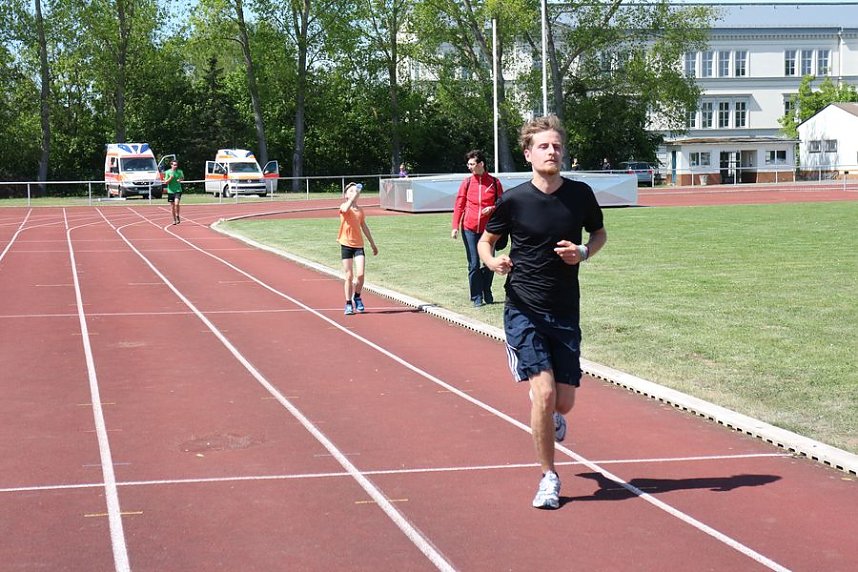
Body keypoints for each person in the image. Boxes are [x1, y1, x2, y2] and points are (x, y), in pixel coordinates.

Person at [478, 115, 607, 510]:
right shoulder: (514, 199)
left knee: (562, 403)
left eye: (556, 146)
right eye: (544, 146)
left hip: (565, 310)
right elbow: (487, 241)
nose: (552, 151)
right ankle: (549, 476)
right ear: (528, 153)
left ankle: (551, 417)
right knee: (544, 393)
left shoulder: (581, 195)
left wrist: (582, 252)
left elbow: (599, 233)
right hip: (523, 308)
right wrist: (492, 262)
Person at [451, 149, 504, 307]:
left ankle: (486, 290)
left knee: (489, 263)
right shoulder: (467, 183)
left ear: (481, 164)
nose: (469, 167)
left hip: (489, 231)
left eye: (472, 164)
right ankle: (476, 296)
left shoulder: (494, 182)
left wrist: (492, 208)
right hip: (469, 229)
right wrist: (455, 227)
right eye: (468, 164)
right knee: (474, 263)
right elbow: (459, 205)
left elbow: (502, 204)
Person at [337, 182, 378, 315]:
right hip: (346, 244)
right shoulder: (344, 206)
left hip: (359, 245)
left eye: (356, 191)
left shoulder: (360, 211)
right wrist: (352, 197)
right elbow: (344, 209)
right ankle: (348, 303)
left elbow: (364, 227)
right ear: (346, 195)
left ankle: (357, 296)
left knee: (360, 275)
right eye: (351, 191)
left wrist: (372, 244)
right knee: (349, 276)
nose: (354, 192)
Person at [164, 160, 185, 224]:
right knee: (172, 206)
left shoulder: (180, 171)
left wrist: (180, 179)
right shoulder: (167, 172)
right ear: (171, 165)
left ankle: (177, 215)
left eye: (176, 165)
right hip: (170, 191)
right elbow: (166, 182)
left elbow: (182, 178)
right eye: (174, 165)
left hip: (178, 190)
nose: (175, 166)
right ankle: (174, 219)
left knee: (176, 204)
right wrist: (170, 178)